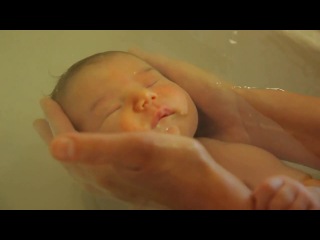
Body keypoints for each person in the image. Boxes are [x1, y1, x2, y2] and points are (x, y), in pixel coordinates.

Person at [34, 49, 320, 209]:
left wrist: (298, 199)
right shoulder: (103, 193)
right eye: (110, 109)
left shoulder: (224, 157)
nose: (144, 97)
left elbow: (309, 188)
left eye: (151, 83)